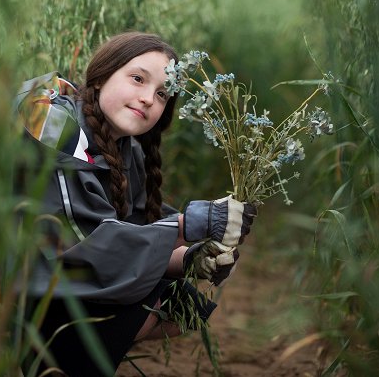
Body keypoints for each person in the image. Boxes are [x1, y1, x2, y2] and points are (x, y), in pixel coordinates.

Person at [13, 31, 257, 376]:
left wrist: (189, 259)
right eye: (137, 79)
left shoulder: (127, 147)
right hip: (18, 291)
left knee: (179, 306)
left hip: (62, 283)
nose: (147, 99)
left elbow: (135, 228)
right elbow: (84, 247)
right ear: (100, 76)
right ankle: (46, 364)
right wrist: (190, 224)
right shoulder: (55, 131)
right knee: (145, 302)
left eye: (161, 94)